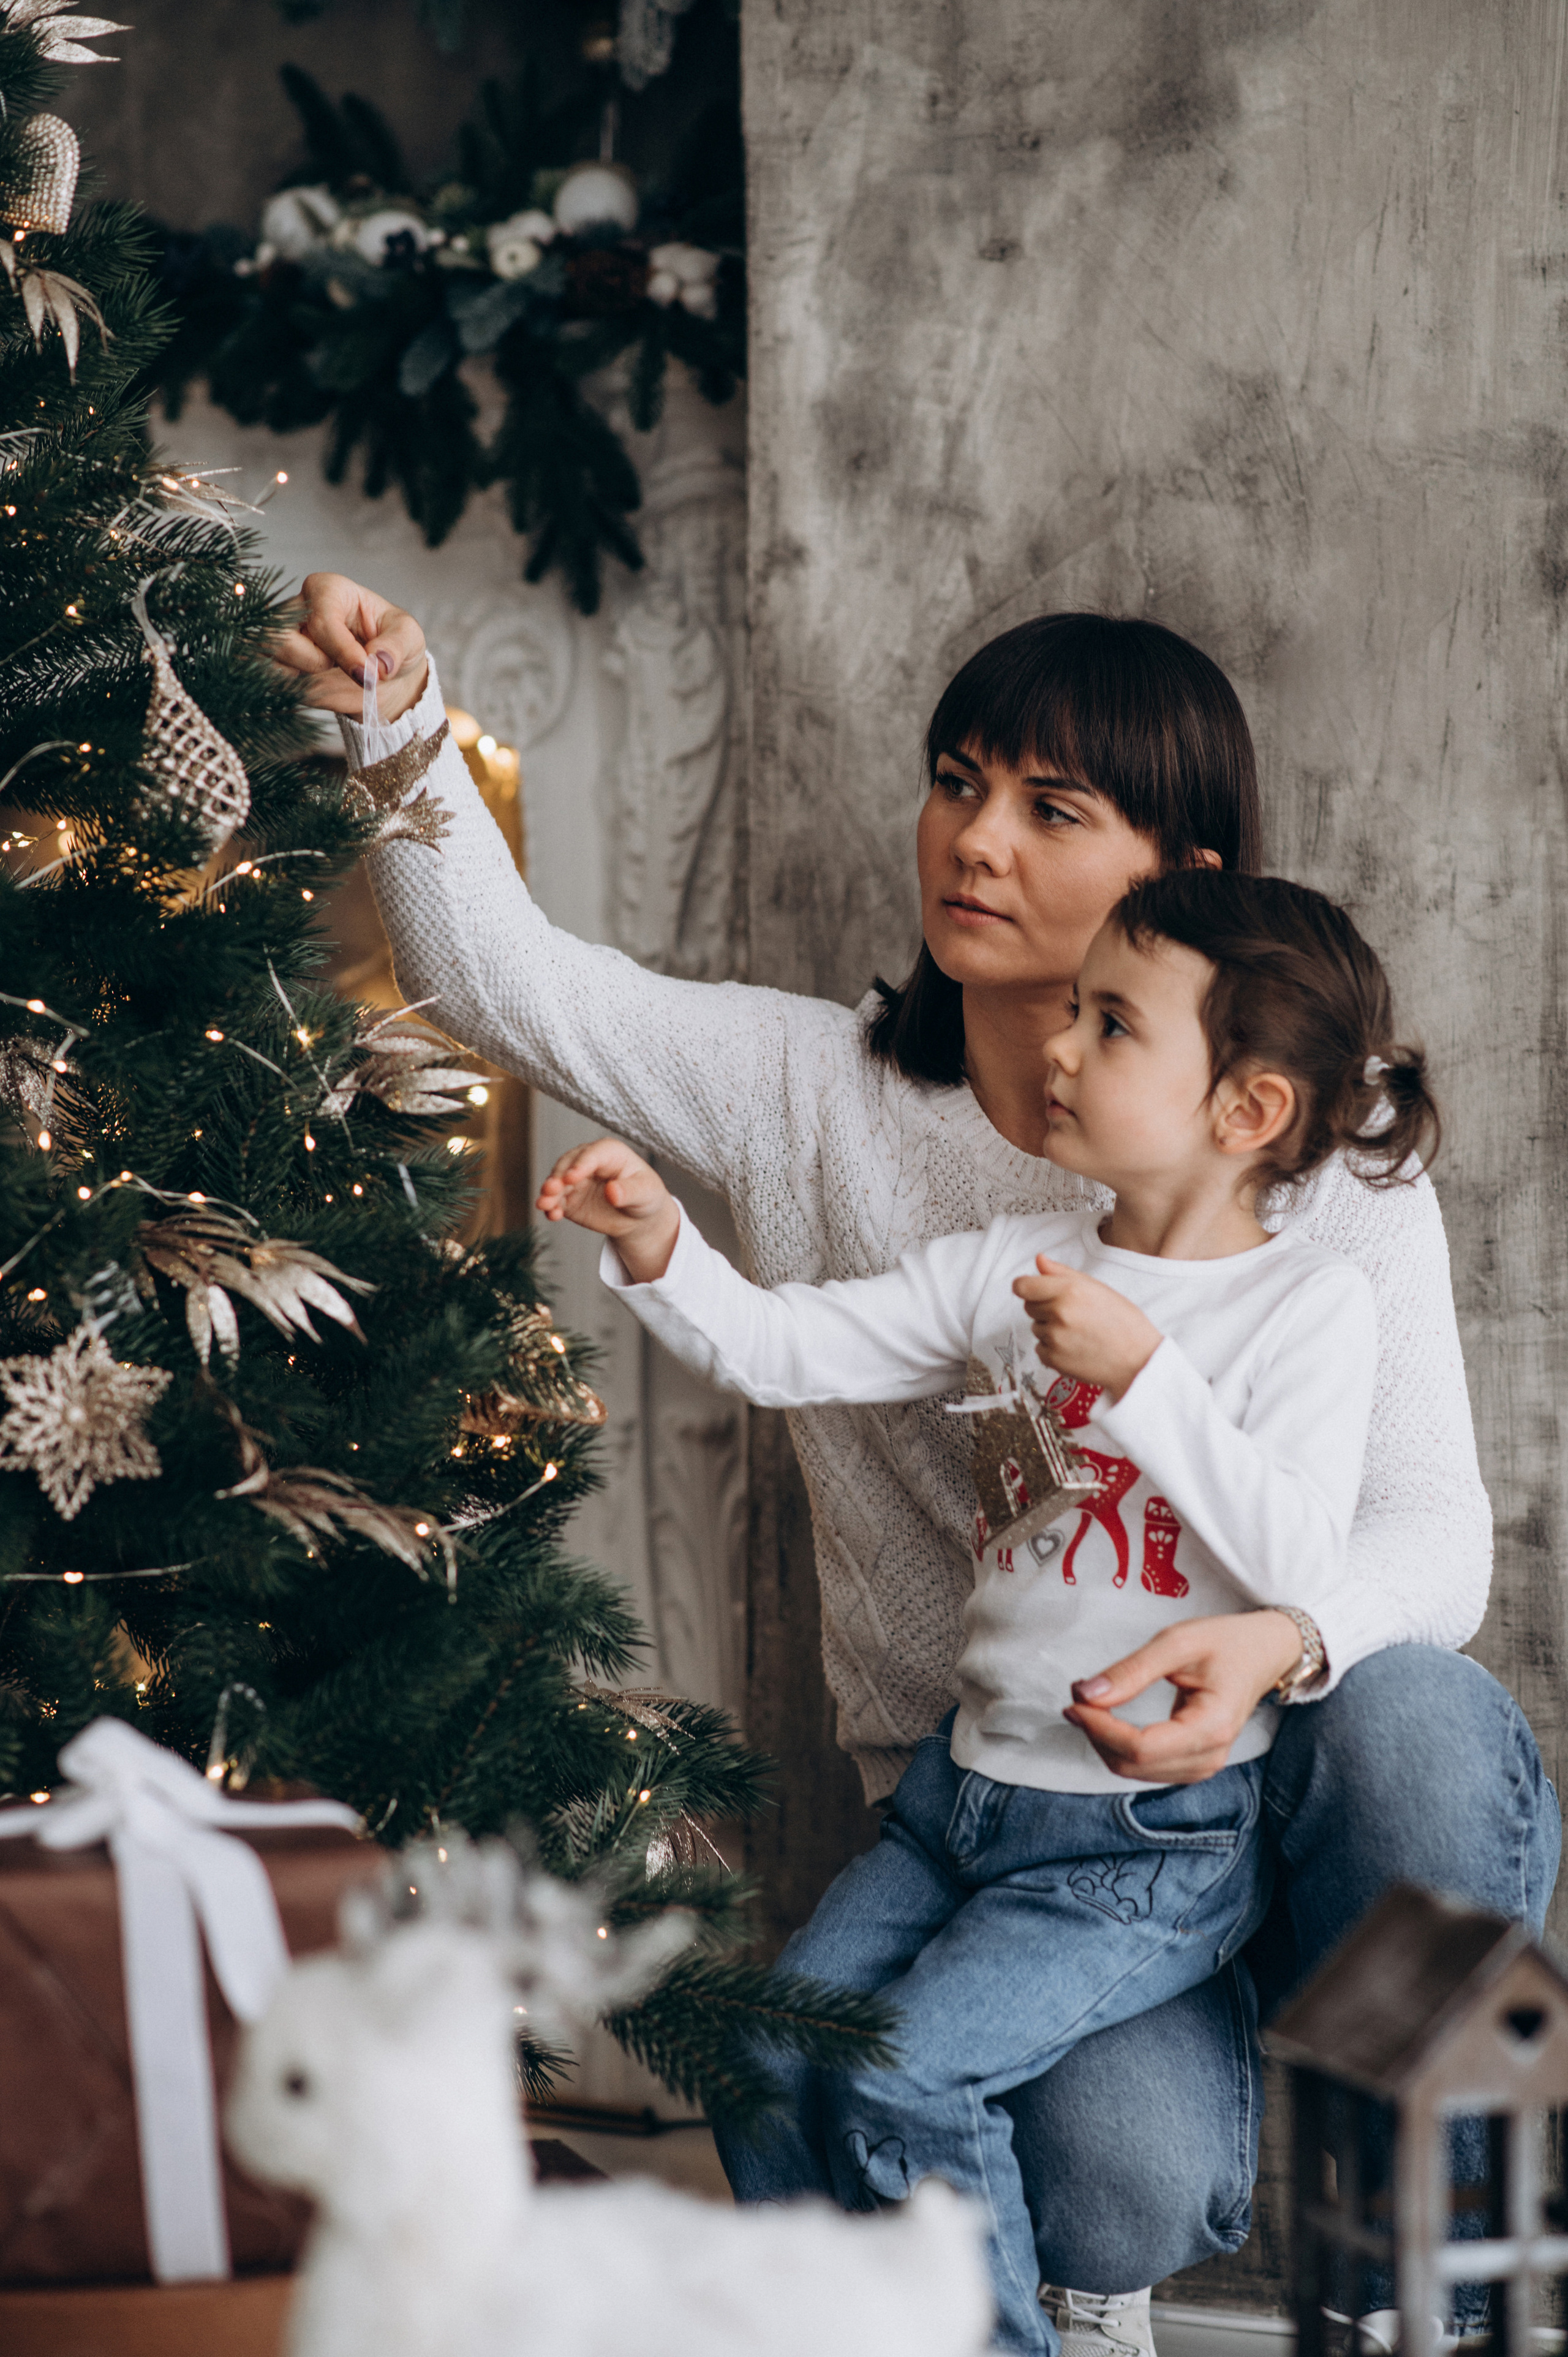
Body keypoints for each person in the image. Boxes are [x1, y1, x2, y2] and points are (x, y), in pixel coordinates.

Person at [274, 583, 1560, 2356]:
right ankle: (1015, 2281)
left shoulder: (1319, 1157)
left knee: (1418, 1717)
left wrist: (1278, 1643)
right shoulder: (820, 1098)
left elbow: (1431, 1536)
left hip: (1264, 1773)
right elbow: (503, 984)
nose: (973, 840)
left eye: (1051, 809)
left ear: (1180, 877)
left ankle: (1432, 2282)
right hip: (1001, 1796)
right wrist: (396, 725)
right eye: (957, 782)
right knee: (1103, 2174)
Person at [533, 868, 1436, 2356]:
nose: (1057, 1046)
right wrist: (658, 1246)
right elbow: (782, 1348)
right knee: (764, 2058)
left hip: (1138, 1847)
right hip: (954, 1808)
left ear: (1246, 1109)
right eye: (1075, 1011)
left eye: (1111, 1024)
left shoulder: (1307, 1306)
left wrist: (1143, 1378)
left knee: (907, 2077)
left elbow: (1295, 1560)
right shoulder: (1016, 1266)